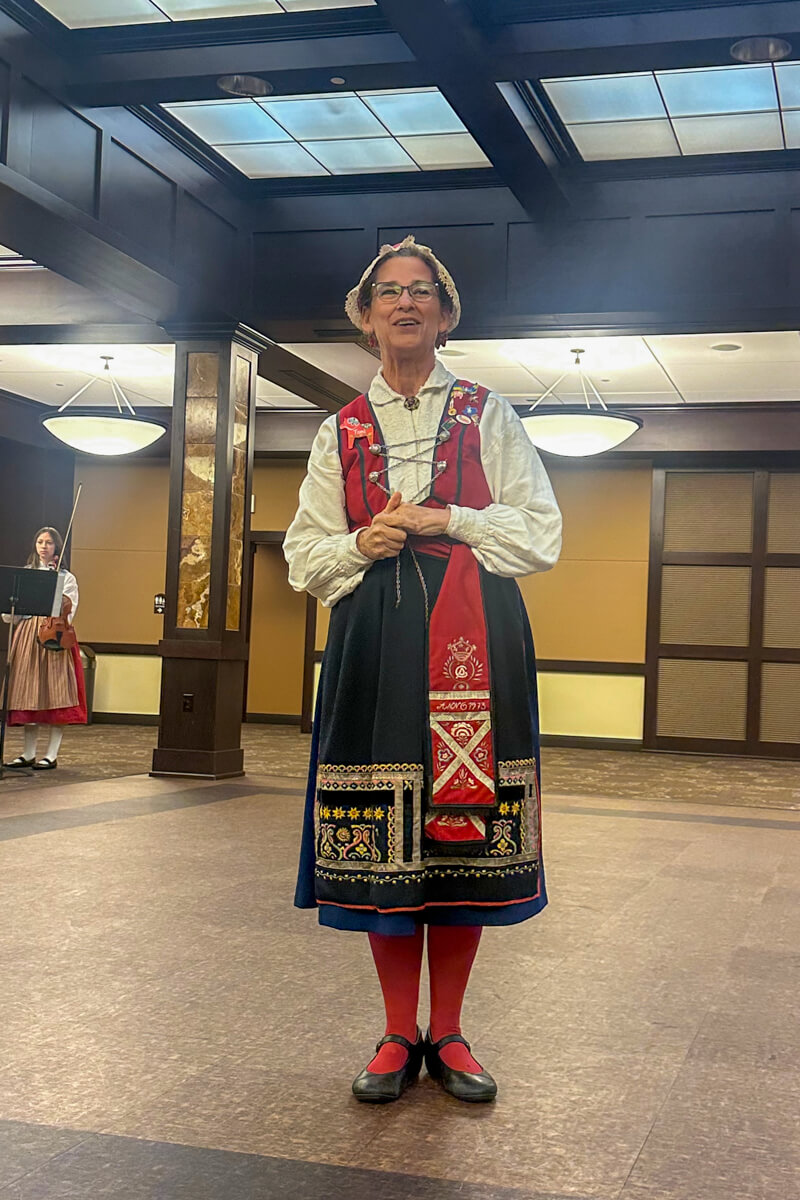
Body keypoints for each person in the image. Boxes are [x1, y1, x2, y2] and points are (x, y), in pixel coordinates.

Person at [284, 236, 562, 1103]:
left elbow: (540, 533)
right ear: (366, 319)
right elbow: (304, 555)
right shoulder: (339, 431)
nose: (405, 304)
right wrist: (363, 540)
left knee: (463, 836)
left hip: (476, 640)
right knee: (385, 832)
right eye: (388, 293)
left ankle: (450, 1029)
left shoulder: (491, 413)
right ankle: (398, 1032)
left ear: (445, 314)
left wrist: (453, 519)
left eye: (422, 292)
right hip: (374, 641)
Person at [3, 527, 87, 770]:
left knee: (55, 693)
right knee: (27, 693)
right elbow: (10, 617)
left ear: (57, 548)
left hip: (55, 637)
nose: (43, 546)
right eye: (40, 541)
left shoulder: (66, 578)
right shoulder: (25, 575)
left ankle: (51, 754)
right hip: (27, 636)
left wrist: (55, 589)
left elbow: (69, 612)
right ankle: (28, 753)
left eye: (49, 543)